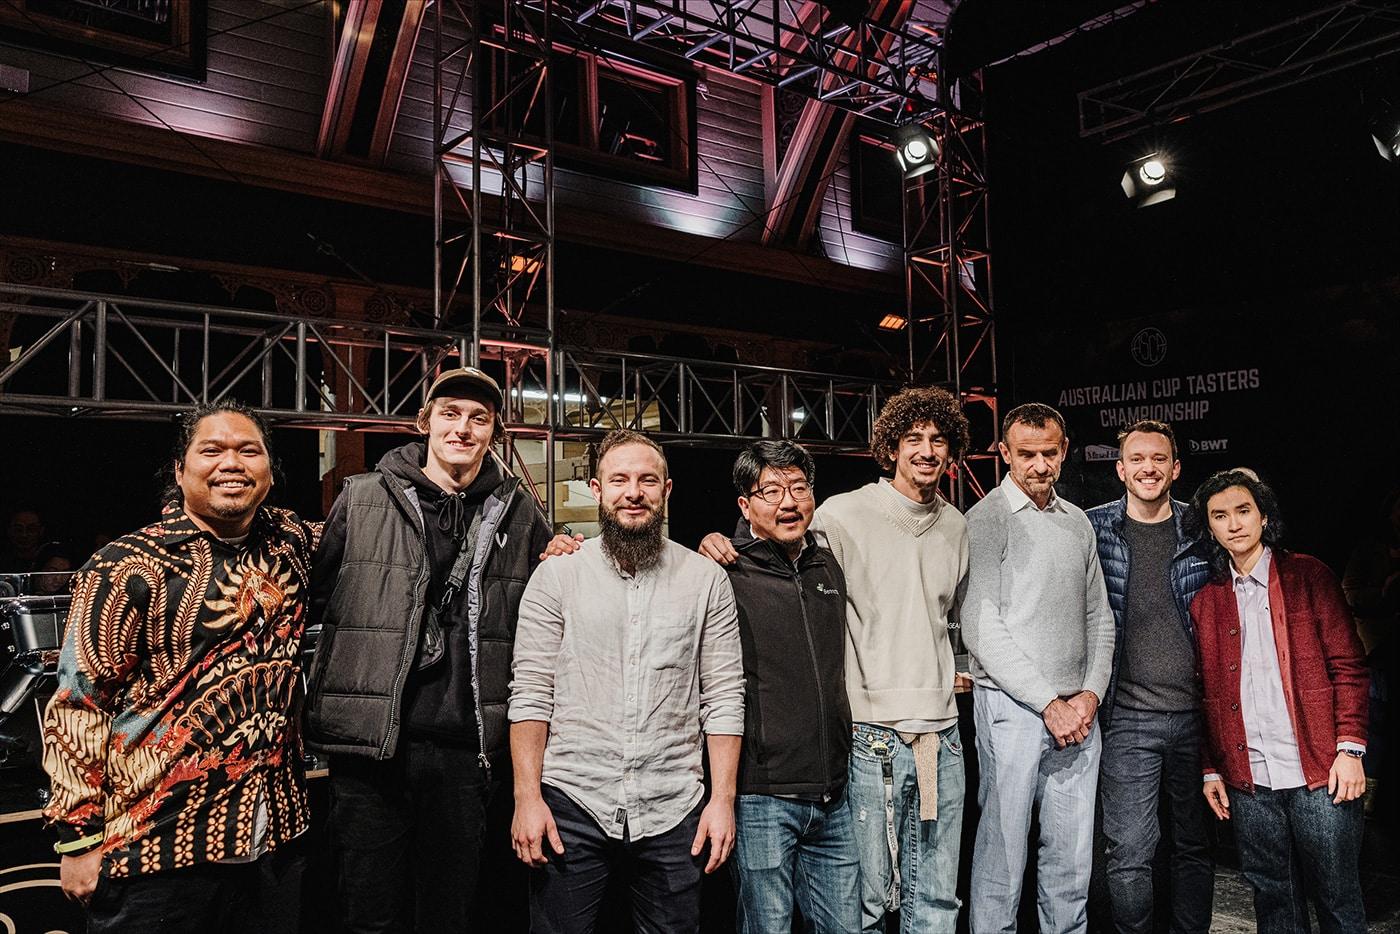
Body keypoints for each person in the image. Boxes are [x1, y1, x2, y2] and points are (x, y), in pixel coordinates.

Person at [700, 385, 972, 933]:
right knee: (859, 907)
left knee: (933, 900)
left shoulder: (955, 526)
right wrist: (717, 540)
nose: (927, 450)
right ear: (890, 447)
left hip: (928, 740)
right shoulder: (839, 517)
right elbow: (770, 541)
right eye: (913, 438)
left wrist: (953, 670)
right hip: (856, 743)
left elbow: (946, 616)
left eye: (938, 439)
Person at [41, 401, 319, 933]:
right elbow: (80, 705)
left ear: (270, 469)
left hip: (275, 842)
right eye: (211, 450)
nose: (231, 463)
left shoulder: (293, 544)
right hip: (155, 849)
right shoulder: (126, 564)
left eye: (249, 450)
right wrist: (78, 839)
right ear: (179, 468)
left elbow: (377, 528)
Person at [303, 366, 559, 934]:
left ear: (494, 433)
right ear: (425, 422)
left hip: (467, 753)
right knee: (368, 916)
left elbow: (550, 602)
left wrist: (565, 550)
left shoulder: (520, 512)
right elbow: (315, 602)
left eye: (478, 418)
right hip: (371, 751)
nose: (462, 428)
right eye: (450, 414)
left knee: (448, 915)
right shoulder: (364, 497)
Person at [509, 428, 745, 934]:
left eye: (647, 480)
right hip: (573, 799)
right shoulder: (558, 575)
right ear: (597, 490)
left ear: (667, 490)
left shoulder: (706, 580)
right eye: (619, 480)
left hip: (673, 805)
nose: (633, 492)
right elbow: (530, 693)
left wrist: (722, 801)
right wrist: (526, 798)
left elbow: (724, 696)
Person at [1190, 469, 1369, 934]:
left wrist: (1350, 750)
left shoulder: (1308, 575)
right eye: (1220, 516)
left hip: (1321, 772)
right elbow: (1204, 693)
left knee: (1337, 898)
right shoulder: (1207, 600)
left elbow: (1349, 667)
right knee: (1273, 900)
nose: (1234, 524)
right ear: (1209, 527)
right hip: (1250, 779)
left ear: (1264, 516)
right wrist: (1211, 767)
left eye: (1243, 511)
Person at [962, 402, 1115, 934]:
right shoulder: (986, 520)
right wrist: (1049, 703)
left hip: (1079, 713)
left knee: (1072, 860)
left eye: (1049, 452)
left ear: (1065, 450)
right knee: (1002, 856)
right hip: (1013, 708)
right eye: (1026, 454)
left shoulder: (1077, 521)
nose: (1039, 465)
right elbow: (981, 628)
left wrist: (1090, 695)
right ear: (1005, 453)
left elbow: (1100, 617)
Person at [722, 440, 859, 933]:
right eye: (772, 491)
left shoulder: (827, 565)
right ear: (745, 505)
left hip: (834, 794)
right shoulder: (725, 570)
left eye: (799, 488)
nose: (789, 502)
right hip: (762, 796)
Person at [1085, 420, 1213, 934]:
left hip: (1198, 718)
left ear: (1175, 468)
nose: (1148, 468)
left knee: (1193, 846)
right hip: (1128, 720)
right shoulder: (1093, 528)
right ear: (1120, 469)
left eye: (1159, 459)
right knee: (1129, 852)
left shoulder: (1202, 528)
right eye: (1137, 459)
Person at [1, 506, 46, 571]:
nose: (24, 535)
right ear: (9, 531)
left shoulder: (50, 561)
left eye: (31, 529)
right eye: (18, 529)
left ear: (41, 531)